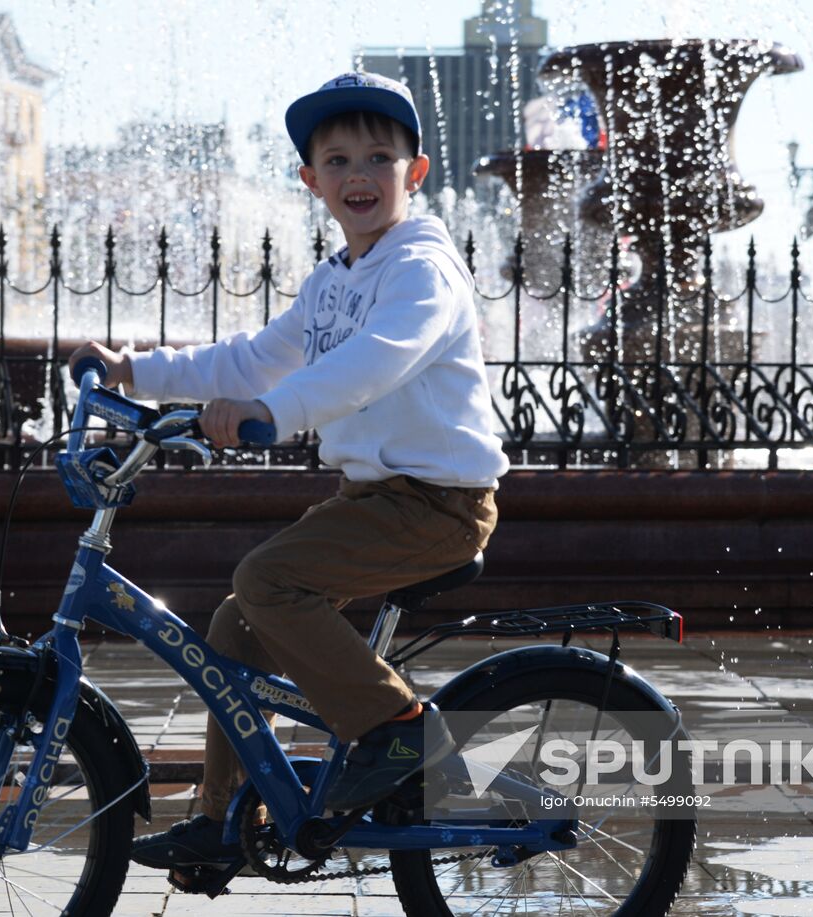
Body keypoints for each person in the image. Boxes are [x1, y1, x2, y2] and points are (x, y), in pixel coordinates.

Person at [68, 70, 508, 870]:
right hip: (371, 500)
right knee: (237, 622)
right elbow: (252, 357)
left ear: (417, 171)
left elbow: (379, 362)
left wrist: (277, 413)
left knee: (267, 580)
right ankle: (222, 820)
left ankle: (399, 730)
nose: (357, 175)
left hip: (438, 503)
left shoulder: (422, 268)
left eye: (379, 157)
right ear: (310, 181)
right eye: (336, 161)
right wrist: (134, 371)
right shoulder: (334, 279)